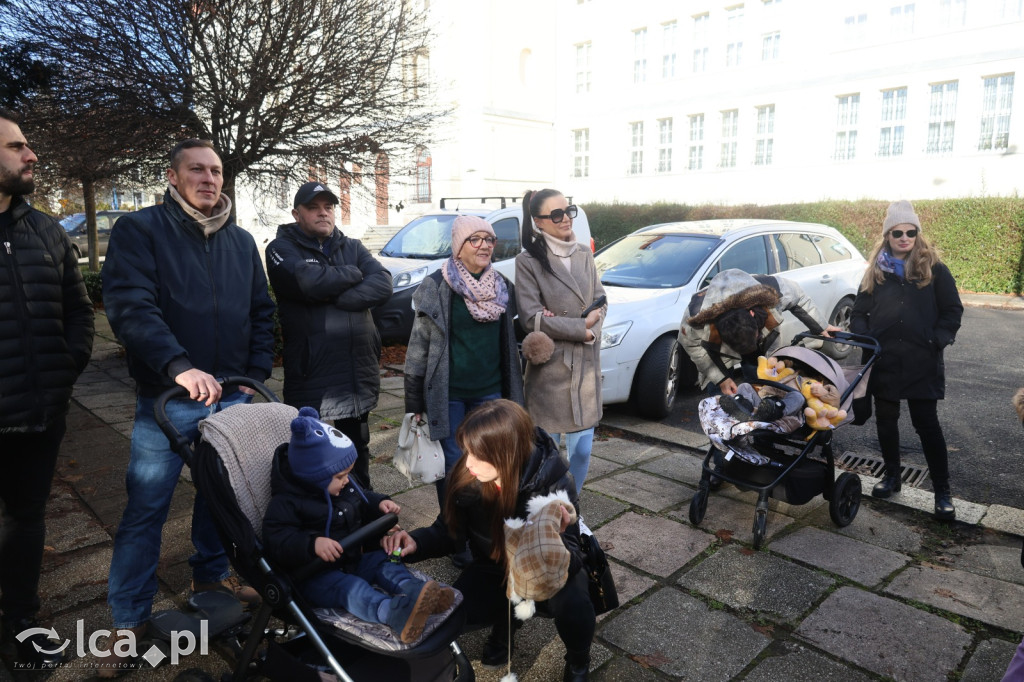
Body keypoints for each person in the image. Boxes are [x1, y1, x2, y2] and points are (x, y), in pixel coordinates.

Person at [100, 139, 276, 674]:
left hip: (231, 395)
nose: (209, 179)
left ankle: (208, 574)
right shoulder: (141, 231)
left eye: (216, 171)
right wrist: (177, 365)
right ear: (173, 177)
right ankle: (127, 618)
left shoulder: (241, 241)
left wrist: (253, 378)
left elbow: (261, 313)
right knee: (146, 508)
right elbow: (131, 307)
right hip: (169, 397)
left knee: (219, 497)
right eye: (196, 170)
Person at [382, 399, 595, 682]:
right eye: (467, 450)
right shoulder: (468, 475)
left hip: (545, 574)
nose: (468, 463)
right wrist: (415, 542)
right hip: (492, 569)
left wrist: (548, 548)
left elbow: (571, 553)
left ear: (507, 454)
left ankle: (579, 661)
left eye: (478, 455)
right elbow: (448, 531)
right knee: (451, 615)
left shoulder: (553, 482)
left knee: (574, 602)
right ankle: (504, 626)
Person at [0, 108, 94, 668]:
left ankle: (22, 621)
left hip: (38, 414)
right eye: (16, 147)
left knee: (26, 520)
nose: (31, 155)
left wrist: (65, 368)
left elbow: (79, 312)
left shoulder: (45, 229)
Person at [262, 407, 453, 643]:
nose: (347, 481)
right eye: (341, 477)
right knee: (351, 589)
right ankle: (393, 613)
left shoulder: (342, 486)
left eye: (348, 475)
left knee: (383, 561)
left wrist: (380, 503)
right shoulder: (287, 503)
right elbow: (276, 539)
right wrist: (312, 544)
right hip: (315, 576)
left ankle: (417, 593)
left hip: (353, 559)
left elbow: (362, 499)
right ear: (316, 477)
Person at [266, 182, 392, 490]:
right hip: (313, 374)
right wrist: (352, 274)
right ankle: (316, 520)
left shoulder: (352, 246)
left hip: (355, 372)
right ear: (297, 214)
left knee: (357, 450)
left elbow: (384, 283)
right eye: (314, 207)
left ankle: (363, 513)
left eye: (329, 207)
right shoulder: (280, 249)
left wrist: (341, 297)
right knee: (311, 455)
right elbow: (308, 282)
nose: (323, 212)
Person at [850, 200, 963, 520]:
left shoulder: (934, 268)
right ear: (887, 235)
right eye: (897, 232)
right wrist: (866, 337)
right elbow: (858, 313)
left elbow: (952, 311)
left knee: (927, 425)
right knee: (886, 423)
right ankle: (892, 477)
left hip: (920, 362)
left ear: (917, 233)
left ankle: (942, 491)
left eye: (910, 231)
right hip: (884, 361)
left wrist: (936, 340)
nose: (904, 237)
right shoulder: (876, 271)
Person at [404, 214, 524, 514]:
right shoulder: (436, 287)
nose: (484, 246)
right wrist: (414, 400)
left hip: (492, 393)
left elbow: (514, 336)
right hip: (450, 396)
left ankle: (487, 527)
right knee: (455, 464)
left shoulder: (502, 286)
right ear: (459, 246)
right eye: (475, 239)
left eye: (489, 240)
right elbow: (418, 348)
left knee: (492, 462)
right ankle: (454, 531)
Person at [515, 189, 605, 496]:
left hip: (586, 369)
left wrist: (591, 328)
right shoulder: (527, 261)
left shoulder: (584, 253)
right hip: (551, 370)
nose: (565, 218)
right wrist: (581, 328)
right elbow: (531, 318)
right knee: (546, 453)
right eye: (555, 214)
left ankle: (572, 506)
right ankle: (545, 509)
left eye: (568, 211)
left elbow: (601, 300)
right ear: (539, 222)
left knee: (582, 451)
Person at [679, 268, 839, 396]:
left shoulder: (771, 292)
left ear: (752, 313)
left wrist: (820, 326)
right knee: (719, 396)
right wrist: (721, 379)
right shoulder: (696, 318)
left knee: (762, 385)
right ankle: (721, 431)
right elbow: (693, 347)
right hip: (719, 356)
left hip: (761, 349)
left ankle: (759, 426)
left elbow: (799, 297)